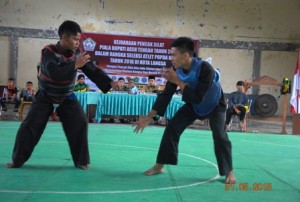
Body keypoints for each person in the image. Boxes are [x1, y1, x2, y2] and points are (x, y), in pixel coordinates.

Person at [6, 20, 118, 170]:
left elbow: (92, 70)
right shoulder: (49, 51)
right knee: (29, 127)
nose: (78, 43)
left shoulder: (77, 54)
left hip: (66, 96)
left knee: (80, 123)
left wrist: (109, 82)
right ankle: (17, 160)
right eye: (75, 39)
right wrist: (74, 65)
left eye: (79, 39)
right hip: (45, 96)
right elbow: (54, 72)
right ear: (64, 37)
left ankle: (81, 161)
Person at [133, 37, 237, 184]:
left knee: (220, 136)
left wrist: (178, 82)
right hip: (194, 105)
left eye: (174, 55)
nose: (171, 59)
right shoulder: (175, 70)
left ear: (186, 55)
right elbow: (166, 94)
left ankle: (229, 171)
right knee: (172, 127)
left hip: (215, 104)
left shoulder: (205, 68)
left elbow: (199, 97)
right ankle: (160, 165)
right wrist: (150, 117)